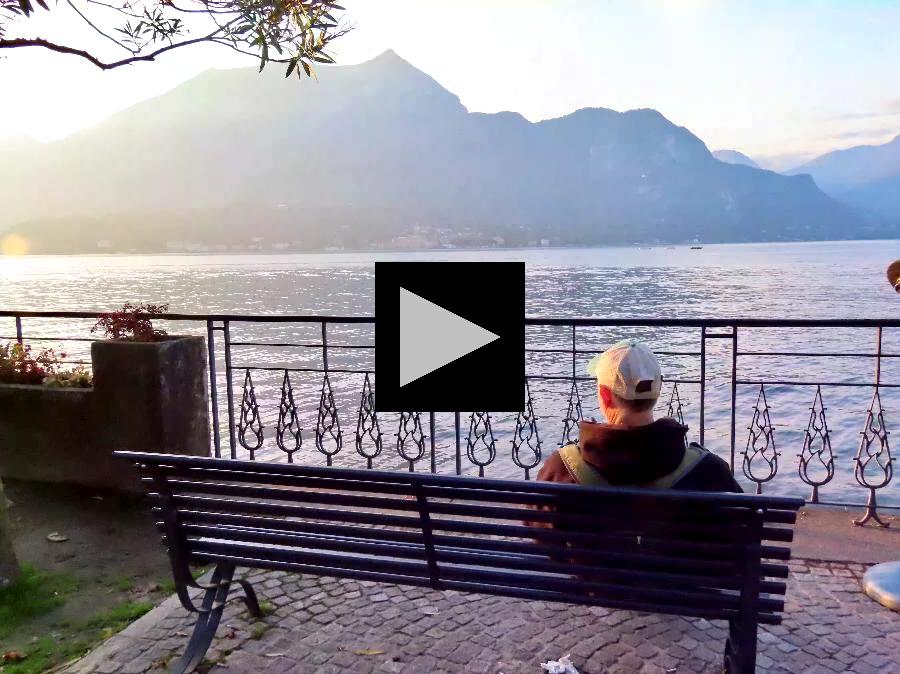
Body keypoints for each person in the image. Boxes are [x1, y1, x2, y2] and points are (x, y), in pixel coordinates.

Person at [536, 338, 741, 492]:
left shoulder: (560, 471)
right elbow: (745, 538)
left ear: (605, 396)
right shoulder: (710, 473)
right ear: (658, 389)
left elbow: (541, 540)